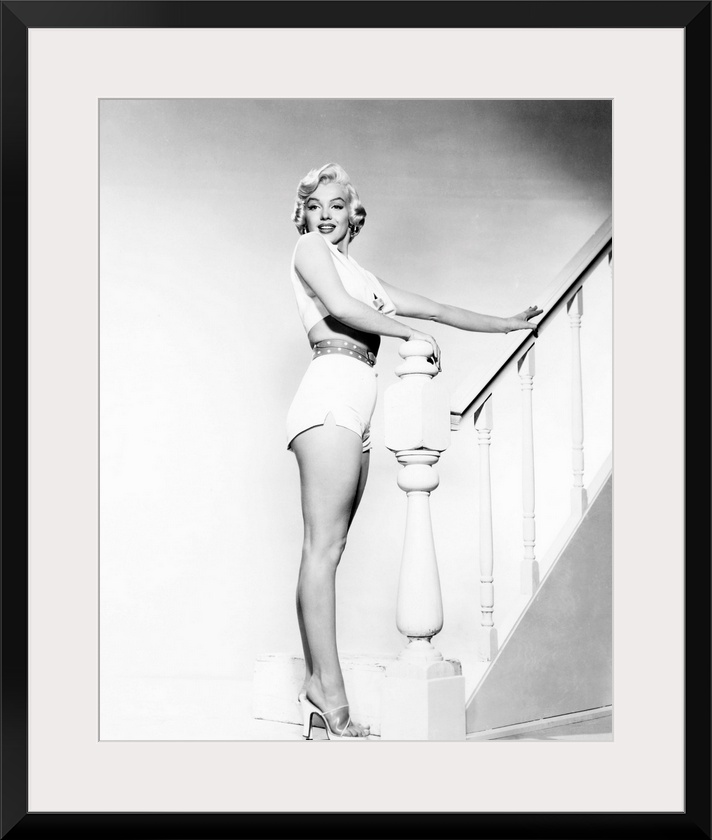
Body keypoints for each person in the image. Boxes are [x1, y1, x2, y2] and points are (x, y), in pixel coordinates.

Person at [286, 163, 542, 740]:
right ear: (304, 215)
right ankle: (328, 692)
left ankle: (317, 687)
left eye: (335, 205)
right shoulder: (309, 251)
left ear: (354, 215)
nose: (323, 216)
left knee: (331, 548)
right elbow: (342, 309)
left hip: (357, 401)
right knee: (321, 549)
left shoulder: (363, 275)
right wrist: (408, 335)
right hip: (329, 396)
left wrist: (505, 324)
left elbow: (435, 308)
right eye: (314, 206)